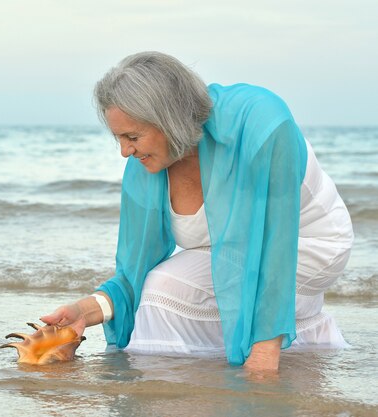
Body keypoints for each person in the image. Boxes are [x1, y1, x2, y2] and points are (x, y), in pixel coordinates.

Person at [40, 51, 354, 372]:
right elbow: (135, 269)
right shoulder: (146, 164)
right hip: (228, 251)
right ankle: (188, 386)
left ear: (169, 120)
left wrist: (263, 359)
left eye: (132, 137)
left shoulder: (261, 123)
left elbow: (274, 244)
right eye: (118, 138)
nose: (124, 152)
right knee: (159, 286)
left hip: (309, 243)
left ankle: (279, 330)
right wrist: (86, 311)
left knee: (164, 292)